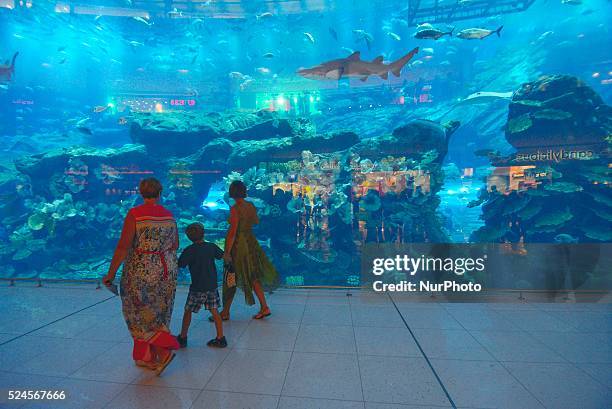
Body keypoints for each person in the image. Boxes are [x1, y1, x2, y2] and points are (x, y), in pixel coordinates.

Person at [103, 178, 179, 376]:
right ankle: (147, 357)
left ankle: (164, 351)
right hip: (166, 271)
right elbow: (175, 244)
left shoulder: (135, 214)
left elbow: (123, 246)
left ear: (140, 192)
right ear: (160, 193)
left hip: (141, 271)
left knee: (136, 311)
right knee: (158, 311)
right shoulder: (169, 216)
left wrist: (110, 274)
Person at [214, 180, 279, 321]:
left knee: (230, 277)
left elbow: (232, 232)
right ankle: (264, 307)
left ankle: (225, 312)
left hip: (239, 244)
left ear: (231, 192)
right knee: (253, 274)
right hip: (251, 241)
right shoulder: (250, 206)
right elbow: (256, 221)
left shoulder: (235, 209)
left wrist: (226, 252)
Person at [177, 222, 226, 348]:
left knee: (188, 311)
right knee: (215, 311)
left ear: (188, 237)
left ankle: (183, 337)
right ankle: (220, 337)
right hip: (211, 285)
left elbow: (180, 264)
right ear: (204, 233)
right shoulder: (211, 246)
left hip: (197, 287)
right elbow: (222, 256)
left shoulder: (189, 250)